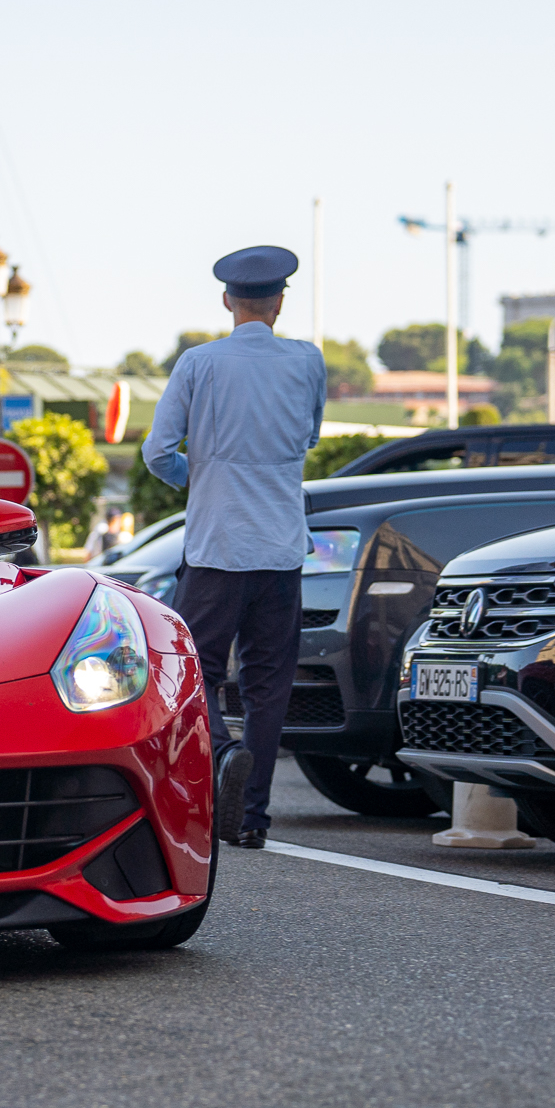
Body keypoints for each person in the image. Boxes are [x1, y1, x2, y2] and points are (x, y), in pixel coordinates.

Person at [140, 245, 327, 851]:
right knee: (269, 683)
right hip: (281, 548)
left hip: (217, 545)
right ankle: (252, 818)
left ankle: (224, 752)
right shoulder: (307, 362)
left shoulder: (199, 364)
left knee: (197, 668)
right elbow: (311, 436)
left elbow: (155, 451)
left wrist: (202, 476)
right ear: (279, 302)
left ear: (228, 300)